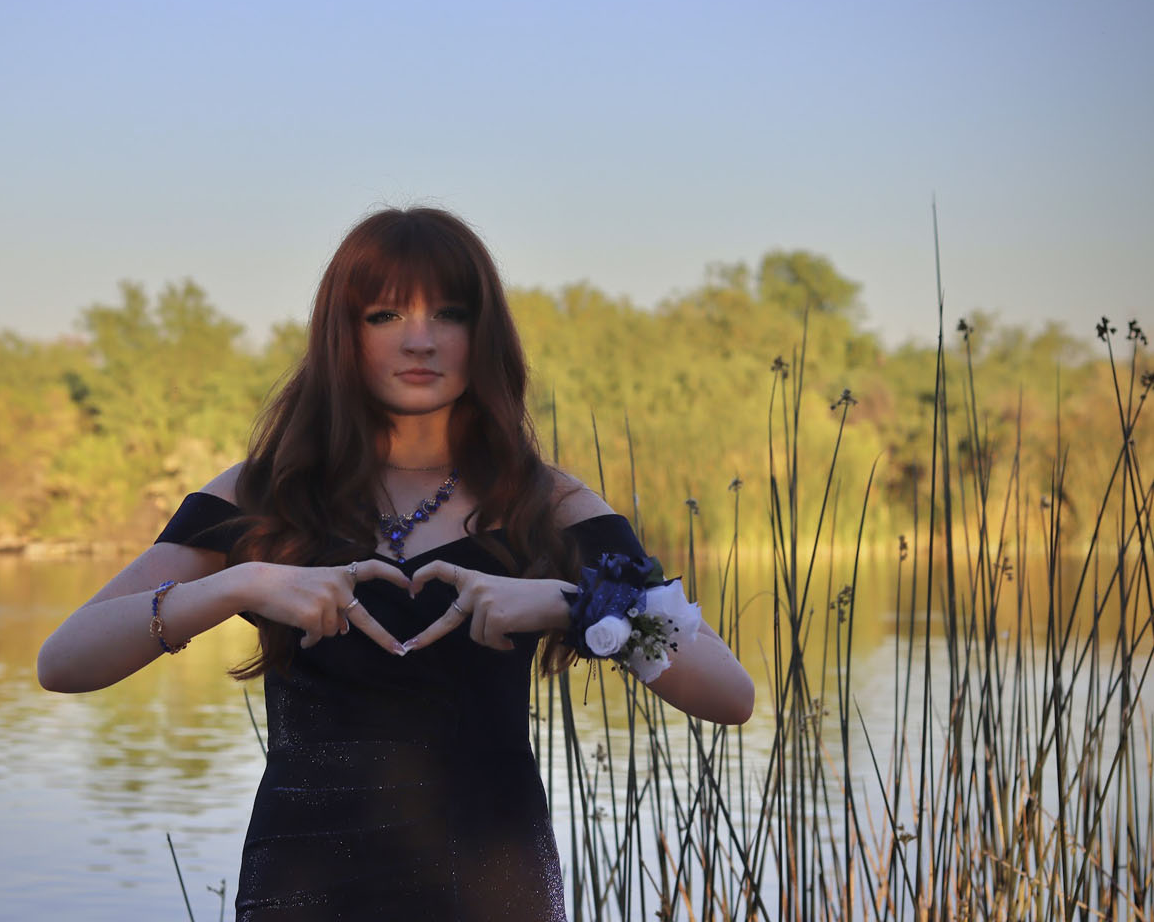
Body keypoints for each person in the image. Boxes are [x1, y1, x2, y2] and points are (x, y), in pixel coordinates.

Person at [38, 207, 754, 921]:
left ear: (484, 334)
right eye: (383, 315)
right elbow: (64, 662)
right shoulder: (262, 493)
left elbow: (729, 695)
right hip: (302, 889)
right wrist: (242, 583)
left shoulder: (546, 500)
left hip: (492, 892)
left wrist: (571, 606)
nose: (419, 340)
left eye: (449, 313)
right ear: (342, 335)